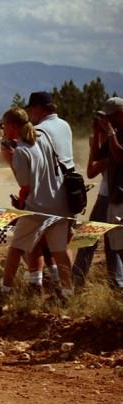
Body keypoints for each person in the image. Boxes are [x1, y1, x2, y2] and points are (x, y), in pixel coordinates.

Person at [0, 107, 73, 298]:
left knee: (16, 248)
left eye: (4, 125)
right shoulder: (42, 141)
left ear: (13, 126)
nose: (2, 129)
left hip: (37, 207)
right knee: (60, 251)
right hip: (59, 203)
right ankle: (67, 293)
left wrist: (10, 160)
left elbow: (25, 185)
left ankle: (5, 290)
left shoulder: (21, 151)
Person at [72, 106, 123, 288]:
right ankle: (114, 283)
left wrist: (101, 139)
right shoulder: (108, 144)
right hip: (105, 197)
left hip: (110, 198)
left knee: (105, 242)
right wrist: (95, 140)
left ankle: (114, 282)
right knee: (96, 240)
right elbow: (91, 169)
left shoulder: (114, 144)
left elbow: (92, 170)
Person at [95, 98, 123, 272]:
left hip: (122, 197)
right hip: (115, 196)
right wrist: (98, 134)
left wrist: (111, 133)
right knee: (118, 246)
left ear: (120, 114)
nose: (108, 121)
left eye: (110, 117)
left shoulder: (116, 134)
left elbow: (120, 156)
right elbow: (98, 155)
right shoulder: (116, 133)